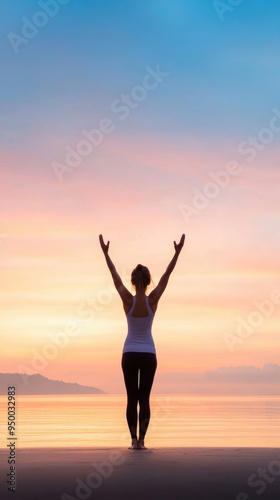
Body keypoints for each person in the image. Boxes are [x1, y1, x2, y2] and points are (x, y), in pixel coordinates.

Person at [99, 233, 185, 450]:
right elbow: (167, 275)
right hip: (148, 354)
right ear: (147, 282)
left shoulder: (127, 300)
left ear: (133, 281)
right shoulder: (153, 300)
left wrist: (106, 254)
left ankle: (133, 442)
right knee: (144, 399)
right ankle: (143, 442)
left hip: (129, 354)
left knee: (131, 399)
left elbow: (113, 274)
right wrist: (177, 252)